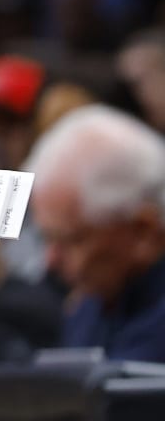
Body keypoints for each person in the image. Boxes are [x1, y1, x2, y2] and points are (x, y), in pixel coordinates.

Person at [29, 104, 165, 359]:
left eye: (71, 241)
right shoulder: (92, 306)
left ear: (143, 232)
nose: (51, 260)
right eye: (46, 238)